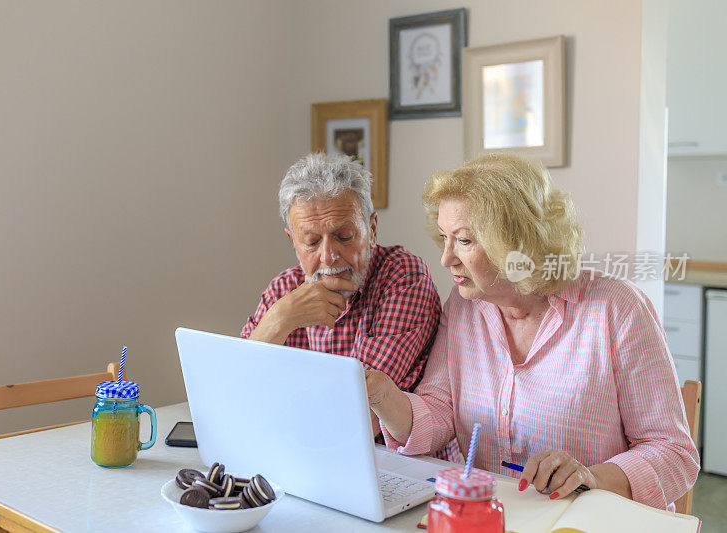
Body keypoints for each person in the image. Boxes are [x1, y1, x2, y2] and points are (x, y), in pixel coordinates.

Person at [365, 153, 699, 510]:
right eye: (445, 238)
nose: (446, 258)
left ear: (515, 242)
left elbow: (674, 452)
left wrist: (591, 477)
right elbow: (440, 409)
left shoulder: (618, 309)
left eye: (463, 241)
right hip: (496, 517)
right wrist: (385, 397)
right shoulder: (464, 305)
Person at [241, 152, 442, 438]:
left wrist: (273, 400)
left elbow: (355, 412)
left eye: (344, 236)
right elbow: (237, 395)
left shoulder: (403, 278)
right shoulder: (283, 290)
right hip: (299, 453)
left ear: (371, 229)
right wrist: (280, 320)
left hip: (393, 463)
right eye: (311, 242)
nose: (329, 256)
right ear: (293, 242)